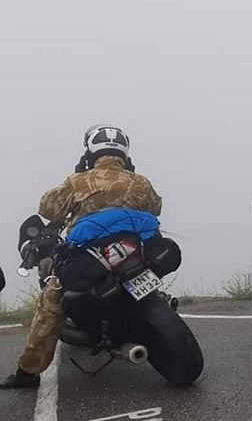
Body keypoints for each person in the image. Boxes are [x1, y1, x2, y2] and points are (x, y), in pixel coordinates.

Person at [0, 125, 161, 389]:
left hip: (90, 259)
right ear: (124, 153)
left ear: (91, 152)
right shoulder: (140, 182)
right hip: (132, 254)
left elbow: (47, 208)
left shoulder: (79, 182)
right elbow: (156, 208)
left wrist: (79, 176)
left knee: (51, 304)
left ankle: (27, 372)